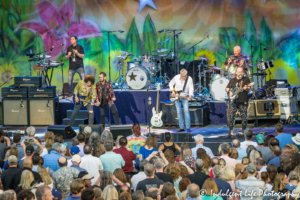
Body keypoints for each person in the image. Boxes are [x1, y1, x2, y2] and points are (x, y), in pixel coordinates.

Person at [225, 67, 251, 136]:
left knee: (243, 117)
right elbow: (227, 88)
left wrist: (247, 88)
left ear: (243, 72)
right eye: (239, 72)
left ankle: (244, 131)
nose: (240, 73)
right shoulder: (232, 80)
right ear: (236, 72)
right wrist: (230, 91)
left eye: (241, 72)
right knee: (231, 116)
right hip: (234, 101)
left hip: (243, 100)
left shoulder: (246, 79)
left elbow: (249, 87)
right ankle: (231, 131)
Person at [169, 68, 194, 132]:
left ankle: (188, 127)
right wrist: (173, 91)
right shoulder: (176, 77)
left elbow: (191, 87)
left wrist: (190, 95)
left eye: (185, 76)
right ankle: (181, 127)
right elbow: (170, 83)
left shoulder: (189, 79)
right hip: (177, 97)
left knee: (186, 112)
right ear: (180, 75)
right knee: (179, 112)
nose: (184, 77)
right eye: (183, 76)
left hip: (185, 97)